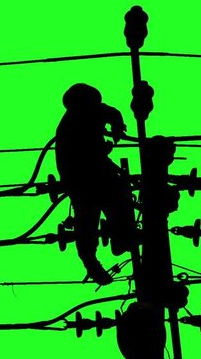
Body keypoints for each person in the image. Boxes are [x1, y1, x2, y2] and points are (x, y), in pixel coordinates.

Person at [55, 83, 137, 285]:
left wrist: (116, 128)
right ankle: (96, 258)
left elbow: (112, 113)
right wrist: (106, 146)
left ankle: (117, 242)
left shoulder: (86, 114)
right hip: (84, 178)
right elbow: (84, 154)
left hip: (90, 176)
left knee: (96, 216)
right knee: (92, 218)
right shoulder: (73, 122)